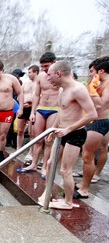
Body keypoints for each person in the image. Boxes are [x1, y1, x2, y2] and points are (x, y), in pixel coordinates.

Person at [38, 61, 97, 210]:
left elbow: (92, 114)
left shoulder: (78, 89)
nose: (48, 79)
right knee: (50, 164)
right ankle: (49, 194)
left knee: (65, 170)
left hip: (75, 133)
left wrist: (69, 129)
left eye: (49, 75)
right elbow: (61, 112)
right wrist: (51, 130)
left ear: (59, 74)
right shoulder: (61, 90)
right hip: (61, 132)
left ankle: (68, 202)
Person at [19, 52, 59, 178]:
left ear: (54, 63)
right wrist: (33, 112)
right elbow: (37, 94)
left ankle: (46, 167)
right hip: (41, 108)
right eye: (42, 67)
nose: (44, 69)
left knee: (48, 141)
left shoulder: (60, 75)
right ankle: (34, 164)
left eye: (46, 66)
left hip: (54, 109)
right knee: (37, 139)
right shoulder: (41, 76)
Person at [74, 57, 109, 199]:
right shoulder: (103, 83)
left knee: (88, 155)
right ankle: (84, 183)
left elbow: (100, 104)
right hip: (95, 121)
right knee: (87, 154)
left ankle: (84, 189)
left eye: (93, 72)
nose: (92, 75)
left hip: (100, 122)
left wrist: (93, 89)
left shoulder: (107, 84)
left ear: (101, 70)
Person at [17, 65, 39, 163]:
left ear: (36, 72)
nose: (28, 74)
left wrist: (31, 104)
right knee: (20, 130)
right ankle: (18, 149)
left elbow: (39, 97)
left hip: (33, 108)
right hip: (24, 107)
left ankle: (30, 152)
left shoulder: (39, 83)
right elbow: (19, 95)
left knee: (31, 132)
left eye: (30, 72)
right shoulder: (25, 83)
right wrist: (21, 104)